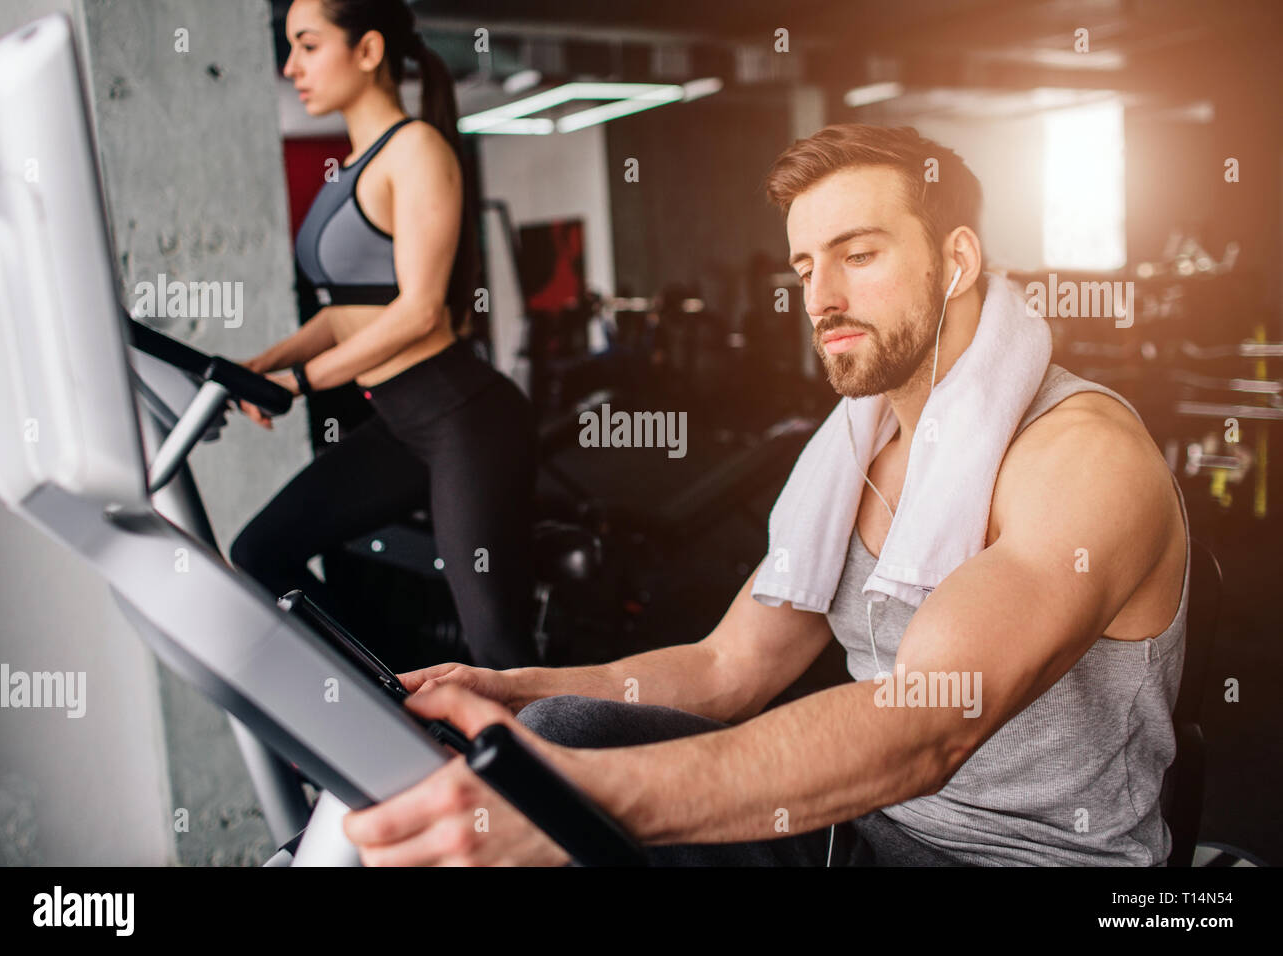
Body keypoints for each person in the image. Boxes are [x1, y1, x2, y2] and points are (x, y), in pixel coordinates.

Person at [340, 124, 1191, 866]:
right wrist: (519, 692)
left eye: (859, 255)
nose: (821, 299)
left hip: (1018, 859)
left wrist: (590, 800)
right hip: (873, 824)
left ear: (957, 260)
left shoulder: (1081, 458)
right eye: (806, 266)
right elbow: (727, 667)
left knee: (566, 790)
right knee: (565, 730)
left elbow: (929, 724)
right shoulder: (859, 445)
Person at [228, 0, 539, 670]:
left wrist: (300, 382)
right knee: (260, 553)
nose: (291, 67)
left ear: (368, 52)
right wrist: (260, 363)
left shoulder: (417, 150)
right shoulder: (352, 171)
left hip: (462, 418)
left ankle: (555, 769)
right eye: (291, 49)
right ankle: (405, 706)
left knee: (497, 650)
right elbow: (347, 310)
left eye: (307, 46)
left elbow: (420, 311)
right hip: (398, 423)